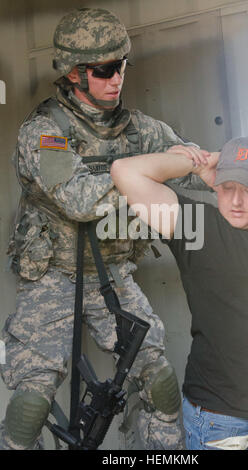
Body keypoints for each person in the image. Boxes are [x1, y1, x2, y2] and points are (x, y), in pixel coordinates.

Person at [0, 7, 209, 450]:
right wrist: (152, 177)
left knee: (160, 383)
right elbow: (80, 200)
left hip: (112, 275)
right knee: (29, 408)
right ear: (74, 73)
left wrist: (202, 163)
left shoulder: (137, 130)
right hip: (51, 278)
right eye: (104, 70)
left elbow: (194, 165)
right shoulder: (47, 132)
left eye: (121, 66)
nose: (117, 78)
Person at [111, 136, 248, 450]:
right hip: (227, 426)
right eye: (228, 187)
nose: (236, 201)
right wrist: (202, 161)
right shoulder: (196, 227)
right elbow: (125, 172)